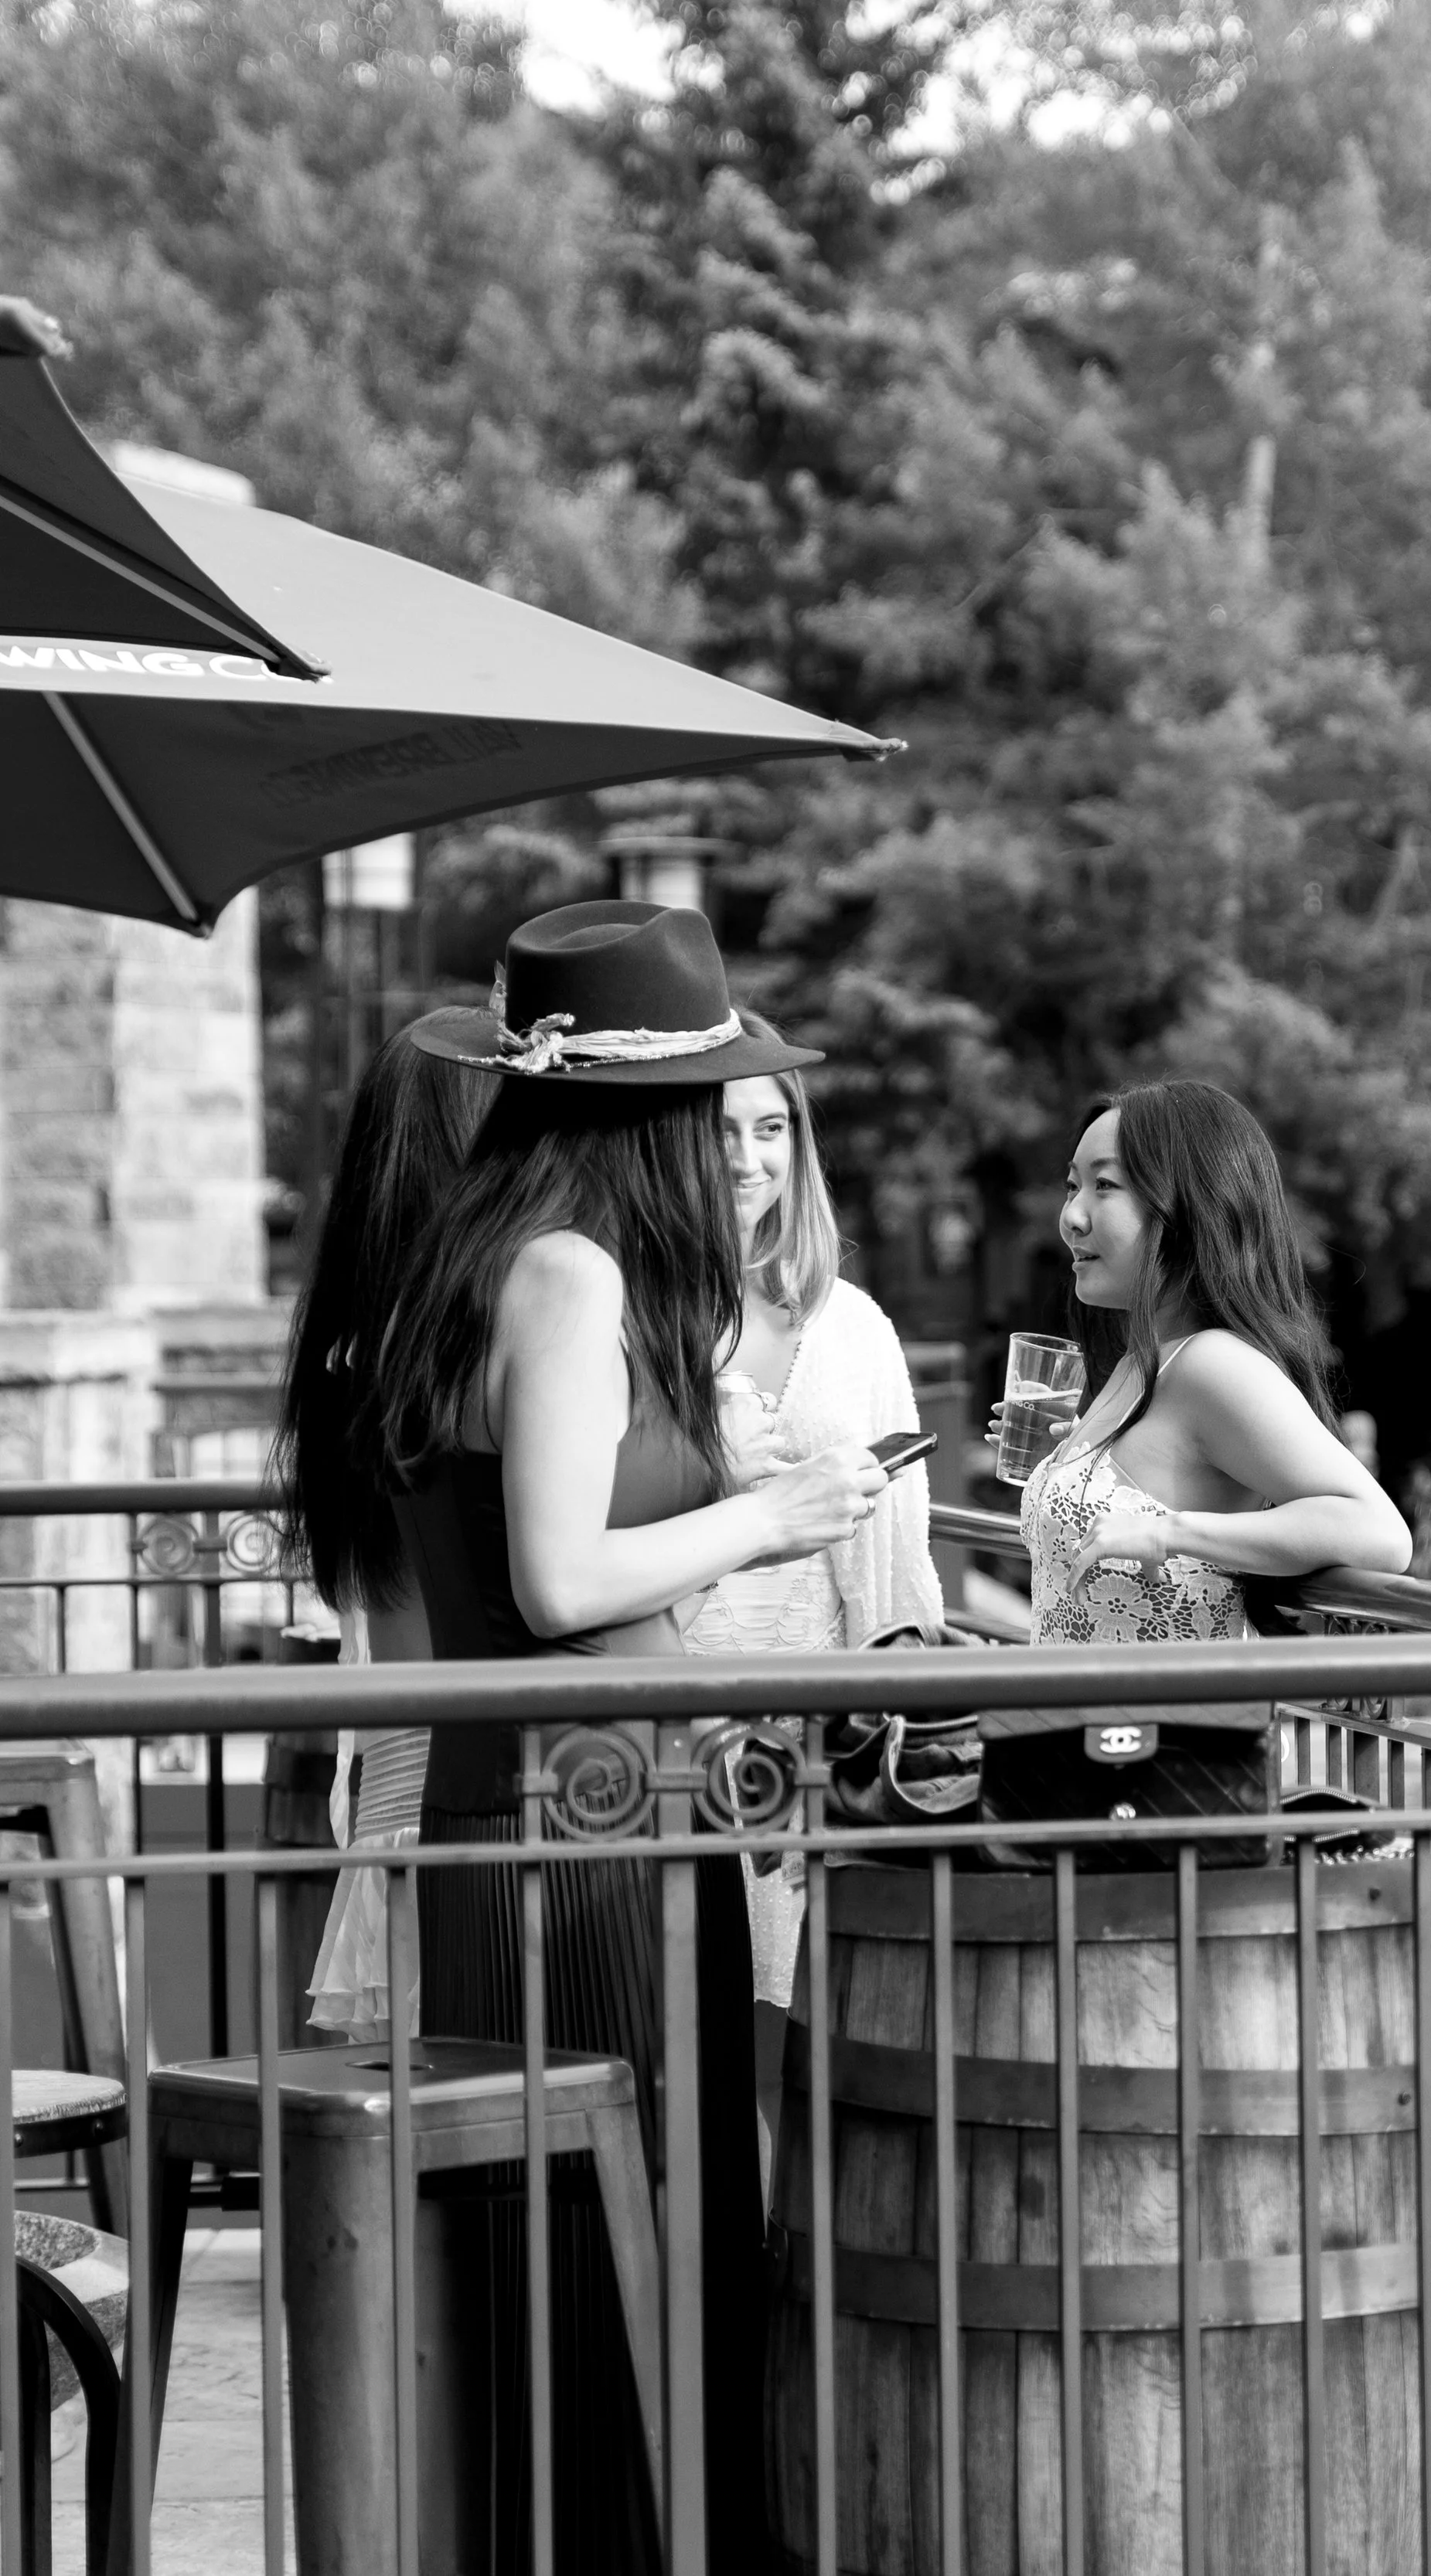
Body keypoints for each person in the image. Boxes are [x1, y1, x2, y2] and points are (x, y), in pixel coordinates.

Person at [369, 900, 885, 2575]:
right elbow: (560, 1574)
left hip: (538, 1812)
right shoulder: (570, 1270)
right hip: (589, 1828)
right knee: (629, 2247)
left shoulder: (479, 1251)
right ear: (649, 1114)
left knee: (574, 2256)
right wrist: (775, 1515)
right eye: (709, 1096)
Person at [683, 1016, 945, 2163]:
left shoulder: (858, 1327)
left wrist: (889, 1733)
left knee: (809, 2058)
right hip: (672, 1734)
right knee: (692, 2060)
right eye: (722, 1130)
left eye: (772, 1128)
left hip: (818, 1742)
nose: (748, 1157)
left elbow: (898, 1558)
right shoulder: (637, 1316)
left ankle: (793, 2312)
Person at [271, 1012, 490, 2041]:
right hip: (470, 1785)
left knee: (421, 2123)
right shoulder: (467, 1345)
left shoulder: (351, 1340)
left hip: (394, 1776)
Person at [1015, 1081, 1411, 1640]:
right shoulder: (1142, 1361)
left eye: (1105, 1185)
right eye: (1072, 1185)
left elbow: (1381, 1533)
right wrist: (1072, 1462)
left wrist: (1170, 1532)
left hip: (1163, 1727)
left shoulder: (1213, 1364)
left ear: (1187, 1207)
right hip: (1073, 1723)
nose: (1071, 1216)